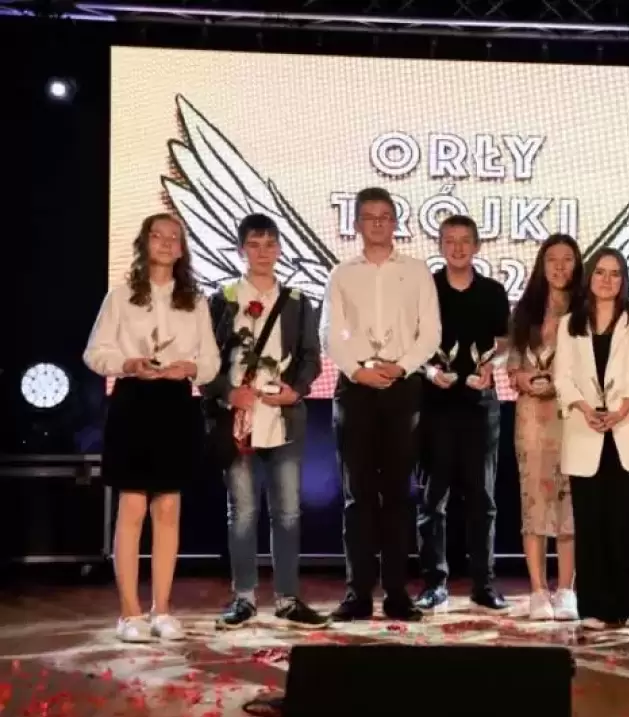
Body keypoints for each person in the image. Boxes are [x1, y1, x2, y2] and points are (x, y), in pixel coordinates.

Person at [84, 213, 219, 642]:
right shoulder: (121, 296)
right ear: (144, 244)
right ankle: (130, 613)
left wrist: (189, 368)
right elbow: (94, 353)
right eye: (157, 236)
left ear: (181, 249)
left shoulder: (194, 301)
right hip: (133, 401)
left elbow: (211, 361)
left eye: (172, 237)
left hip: (175, 404)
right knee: (132, 507)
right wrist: (128, 363)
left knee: (168, 508)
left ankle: (162, 609)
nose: (165, 243)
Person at [202, 214, 328, 630]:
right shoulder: (221, 299)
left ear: (279, 250)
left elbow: (311, 356)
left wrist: (297, 389)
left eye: (270, 244)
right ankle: (243, 598)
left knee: (287, 512)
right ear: (241, 249)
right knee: (241, 512)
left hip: (283, 417)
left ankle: (288, 598)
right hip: (236, 419)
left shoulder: (297, 301)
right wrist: (226, 392)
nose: (263, 252)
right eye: (254, 245)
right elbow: (203, 361)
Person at [322, 187, 441, 622]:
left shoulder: (417, 271)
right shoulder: (341, 274)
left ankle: (396, 593)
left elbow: (430, 332)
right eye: (369, 217)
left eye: (385, 216)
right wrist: (358, 370)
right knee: (357, 497)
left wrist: (401, 366)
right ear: (356, 224)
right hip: (355, 389)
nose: (377, 223)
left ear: (395, 222)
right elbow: (330, 333)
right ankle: (357, 593)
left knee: (397, 495)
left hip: (401, 387)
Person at [553, 248, 629, 629]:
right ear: (590, 277)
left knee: (625, 522)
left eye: (615, 274)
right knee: (591, 520)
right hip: (586, 430)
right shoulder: (570, 324)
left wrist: (621, 410)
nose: (607, 280)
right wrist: (585, 409)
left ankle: (628, 603)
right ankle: (593, 606)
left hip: (627, 428)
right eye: (600, 272)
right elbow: (562, 376)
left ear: (624, 280)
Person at [415, 215, 510, 614]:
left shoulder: (493, 291)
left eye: (465, 240)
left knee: (482, 500)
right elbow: (412, 344)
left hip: (479, 408)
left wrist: (492, 368)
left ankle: (484, 584)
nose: (457, 248)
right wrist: (429, 372)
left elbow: (505, 344)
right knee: (432, 500)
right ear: (440, 246)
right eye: (450, 241)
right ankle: (434, 583)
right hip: (434, 407)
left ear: (477, 246)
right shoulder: (425, 290)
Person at [507, 234, 584, 621]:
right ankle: (538, 590)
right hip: (533, 418)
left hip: (574, 415)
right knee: (534, 500)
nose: (559, 267)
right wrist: (522, 379)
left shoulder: (587, 312)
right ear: (541, 264)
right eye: (552, 259)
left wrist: (561, 385)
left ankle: (567, 589)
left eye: (567, 259)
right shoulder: (525, 312)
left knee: (570, 501)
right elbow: (512, 367)